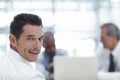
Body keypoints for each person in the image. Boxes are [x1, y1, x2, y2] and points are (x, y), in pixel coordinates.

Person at [0, 13, 45, 80]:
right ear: (13, 40)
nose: (38, 46)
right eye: (30, 39)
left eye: (40, 39)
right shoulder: (33, 77)